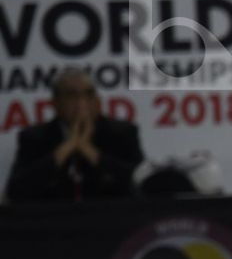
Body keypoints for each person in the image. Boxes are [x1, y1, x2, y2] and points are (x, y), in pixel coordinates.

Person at [6, 70, 144, 202]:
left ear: (97, 102)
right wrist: (64, 150)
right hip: (54, 220)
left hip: (112, 218)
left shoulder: (122, 133)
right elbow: (15, 191)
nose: (81, 103)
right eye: (72, 96)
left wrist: (92, 153)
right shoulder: (34, 138)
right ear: (55, 103)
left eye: (88, 95)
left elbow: (140, 182)